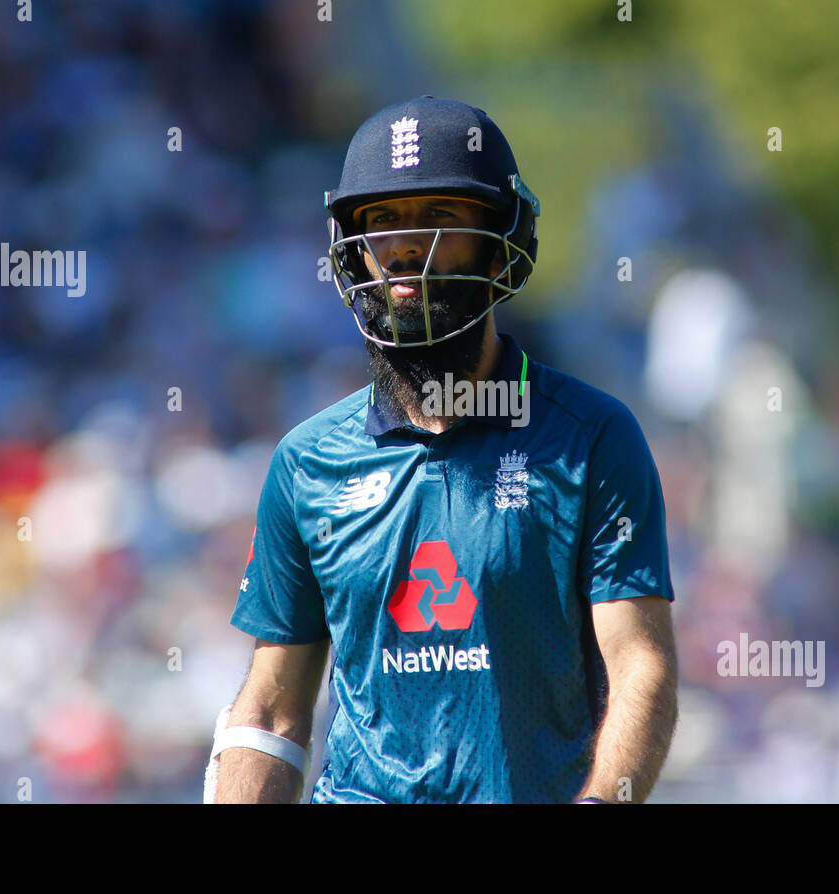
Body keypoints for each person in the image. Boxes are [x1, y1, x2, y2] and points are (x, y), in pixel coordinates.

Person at [210, 96, 677, 803]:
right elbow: (273, 706)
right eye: (384, 221)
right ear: (351, 247)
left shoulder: (591, 438)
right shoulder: (306, 463)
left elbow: (640, 665)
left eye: (441, 220)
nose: (406, 246)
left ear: (500, 242)